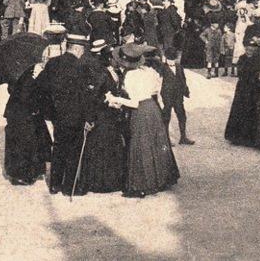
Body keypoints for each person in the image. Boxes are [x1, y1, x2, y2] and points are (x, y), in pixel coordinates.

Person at [105, 43, 180, 198]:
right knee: (156, 143)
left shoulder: (131, 76)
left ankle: (143, 183)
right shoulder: (149, 71)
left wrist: (114, 99)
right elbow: (155, 90)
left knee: (140, 145)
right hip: (152, 108)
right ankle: (161, 178)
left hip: (141, 111)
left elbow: (134, 102)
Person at [37, 25, 95, 195]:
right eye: (82, 49)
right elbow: (86, 97)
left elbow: (41, 86)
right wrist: (89, 118)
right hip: (76, 116)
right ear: (77, 48)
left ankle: (54, 184)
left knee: (59, 147)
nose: (83, 52)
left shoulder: (53, 63)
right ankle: (69, 187)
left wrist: (49, 110)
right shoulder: (82, 67)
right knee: (74, 151)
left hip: (58, 115)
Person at [78, 39, 127, 193]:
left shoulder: (114, 72)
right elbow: (94, 96)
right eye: (115, 59)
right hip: (103, 116)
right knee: (102, 148)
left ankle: (111, 180)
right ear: (108, 59)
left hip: (110, 116)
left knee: (111, 147)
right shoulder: (102, 73)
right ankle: (101, 183)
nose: (118, 62)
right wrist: (107, 101)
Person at [3, 47, 52, 186]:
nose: (45, 61)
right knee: (23, 142)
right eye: (44, 59)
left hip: (22, 112)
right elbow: (25, 95)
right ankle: (20, 175)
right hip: (20, 113)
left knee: (33, 138)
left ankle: (32, 171)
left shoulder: (29, 71)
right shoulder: (32, 74)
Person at [224, 30, 260, 147]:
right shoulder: (242, 58)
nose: (250, 49)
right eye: (248, 46)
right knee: (240, 108)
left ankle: (249, 137)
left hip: (254, 88)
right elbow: (241, 71)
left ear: (257, 48)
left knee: (252, 109)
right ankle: (237, 136)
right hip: (243, 88)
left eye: (253, 47)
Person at [157, 47, 194, 146]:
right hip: (167, 96)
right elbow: (158, 82)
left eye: (173, 59)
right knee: (166, 117)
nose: (171, 61)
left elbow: (183, 79)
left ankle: (183, 137)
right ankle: (166, 139)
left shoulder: (179, 67)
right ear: (165, 58)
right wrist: (160, 96)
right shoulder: (162, 68)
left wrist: (186, 90)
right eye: (169, 59)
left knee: (182, 115)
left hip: (178, 96)